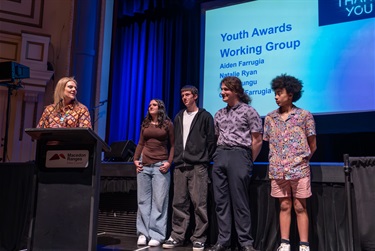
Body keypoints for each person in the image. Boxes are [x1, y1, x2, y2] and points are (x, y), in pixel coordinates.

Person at [208, 76, 263, 251]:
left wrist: (248, 161)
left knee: (240, 202)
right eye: (222, 89)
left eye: (226, 89)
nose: (222, 92)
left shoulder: (249, 111)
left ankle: (245, 243)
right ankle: (223, 241)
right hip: (221, 155)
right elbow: (217, 137)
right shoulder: (218, 113)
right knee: (221, 202)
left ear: (236, 91)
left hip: (240, 155)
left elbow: (257, 140)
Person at [263, 74, 317, 251]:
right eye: (275, 93)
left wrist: (299, 160)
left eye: (279, 93)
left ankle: (304, 245)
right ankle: (285, 243)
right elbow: (268, 142)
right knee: (284, 205)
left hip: (299, 170)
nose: (276, 97)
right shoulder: (270, 118)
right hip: (278, 170)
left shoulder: (304, 116)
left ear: (290, 94)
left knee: (300, 206)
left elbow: (313, 145)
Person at [162, 85, 216, 251]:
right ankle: (177, 235)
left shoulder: (205, 116)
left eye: (187, 95)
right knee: (179, 203)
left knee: (199, 203)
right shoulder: (179, 116)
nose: (184, 98)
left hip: (198, 166)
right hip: (180, 165)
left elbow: (211, 141)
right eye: (182, 95)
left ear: (195, 96)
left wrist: (203, 158)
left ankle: (199, 237)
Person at [133, 99, 175, 247]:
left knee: (159, 201)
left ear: (160, 108)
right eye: (149, 105)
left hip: (160, 166)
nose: (150, 107)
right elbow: (140, 143)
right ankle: (143, 233)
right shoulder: (145, 124)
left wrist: (169, 162)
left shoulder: (167, 124)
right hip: (144, 165)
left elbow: (173, 145)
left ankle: (157, 234)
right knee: (143, 201)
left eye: (154, 105)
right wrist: (135, 159)